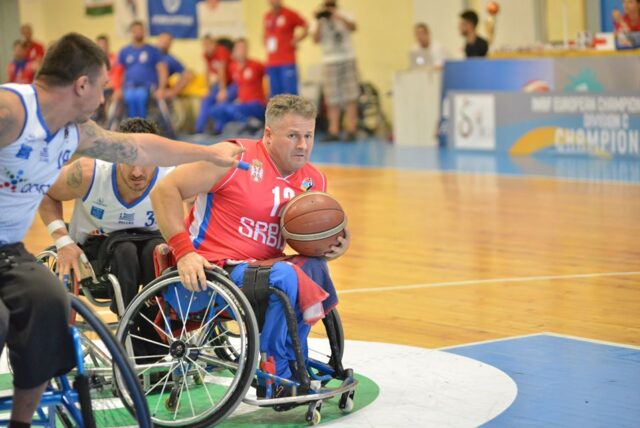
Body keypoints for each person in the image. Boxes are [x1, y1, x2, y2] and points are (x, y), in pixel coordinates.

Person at [0, 32, 241, 426]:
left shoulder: (73, 131)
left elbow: (141, 147)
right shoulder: (11, 109)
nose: (104, 99)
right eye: (103, 87)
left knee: (49, 305)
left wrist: (209, 152)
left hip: (8, 251)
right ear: (82, 84)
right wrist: (63, 238)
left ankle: (20, 423)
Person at [151, 94, 349, 394]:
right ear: (268, 134)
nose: (302, 145)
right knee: (285, 277)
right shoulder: (232, 158)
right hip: (212, 272)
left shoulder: (313, 181)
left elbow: (312, 237)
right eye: (293, 136)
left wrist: (336, 245)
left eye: (308, 136)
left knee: (314, 267)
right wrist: (184, 253)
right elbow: (165, 190)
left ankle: (293, 358)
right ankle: (274, 370)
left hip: (260, 272)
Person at [38, 118, 172, 314]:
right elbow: (45, 192)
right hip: (95, 254)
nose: (137, 172)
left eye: (144, 162)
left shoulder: (171, 178)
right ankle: (128, 319)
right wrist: (62, 241)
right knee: (125, 250)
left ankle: (155, 323)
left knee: (158, 249)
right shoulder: (89, 173)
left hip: (148, 249)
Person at [312, 0, 359, 142]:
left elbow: (354, 27)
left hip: (347, 58)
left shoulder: (344, 13)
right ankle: (334, 131)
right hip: (329, 61)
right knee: (332, 98)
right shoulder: (320, 18)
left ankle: (351, 130)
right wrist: (319, 21)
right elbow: (315, 39)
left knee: (351, 95)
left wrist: (338, 16)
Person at [211, 38, 266, 135]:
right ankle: (227, 131)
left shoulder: (256, 65)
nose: (242, 50)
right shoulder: (233, 67)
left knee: (231, 109)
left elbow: (270, 76)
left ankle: (255, 125)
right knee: (215, 109)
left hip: (256, 104)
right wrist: (223, 91)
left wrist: (270, 96)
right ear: (234, 51)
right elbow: (230, 82)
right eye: (239, 48)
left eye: (244, 48)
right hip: (242, 104)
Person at [118, 21, 168, 118]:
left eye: (140, 30)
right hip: (129, 87)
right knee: (129, 96)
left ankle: (142, 124)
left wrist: (161, 89)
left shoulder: (153, 50)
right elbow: (120, 72)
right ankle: (133, 124)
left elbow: (162, 71)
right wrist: (118, 89)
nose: (138, 32)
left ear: (144, 31)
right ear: (131, 32)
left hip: (147, 87)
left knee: (139, 95)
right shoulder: (124, 51)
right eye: (135, 30)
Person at [264, 0, 308, 96]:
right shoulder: (267, 16)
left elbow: (306, 25)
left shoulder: (290, 14)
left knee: (290, 94)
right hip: (272, 62)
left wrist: (297, 39)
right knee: (275, 96)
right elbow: (266, 34)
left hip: (287, 61)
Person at [194, 35, 236, 134]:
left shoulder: (221, 51)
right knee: (206, 99)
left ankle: (218, 129)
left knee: (222, 100)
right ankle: (199, 129)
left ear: (214, 44)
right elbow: (207, 71)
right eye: (204, 45)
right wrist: (207, 89)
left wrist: (222, 90)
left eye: (209, 45)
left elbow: (222, 71)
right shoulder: (206, 54)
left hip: (233, 82)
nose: (207, 48)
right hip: (221, 82)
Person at [155, 32, 194, 99]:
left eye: (168, 40)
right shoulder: (146, 52)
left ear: (171, 44)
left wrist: (173, 92)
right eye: (162, 39)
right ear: (157, 40)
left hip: (156, 91)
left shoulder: (170, 60)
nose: (164, 42)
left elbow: (188, 74)